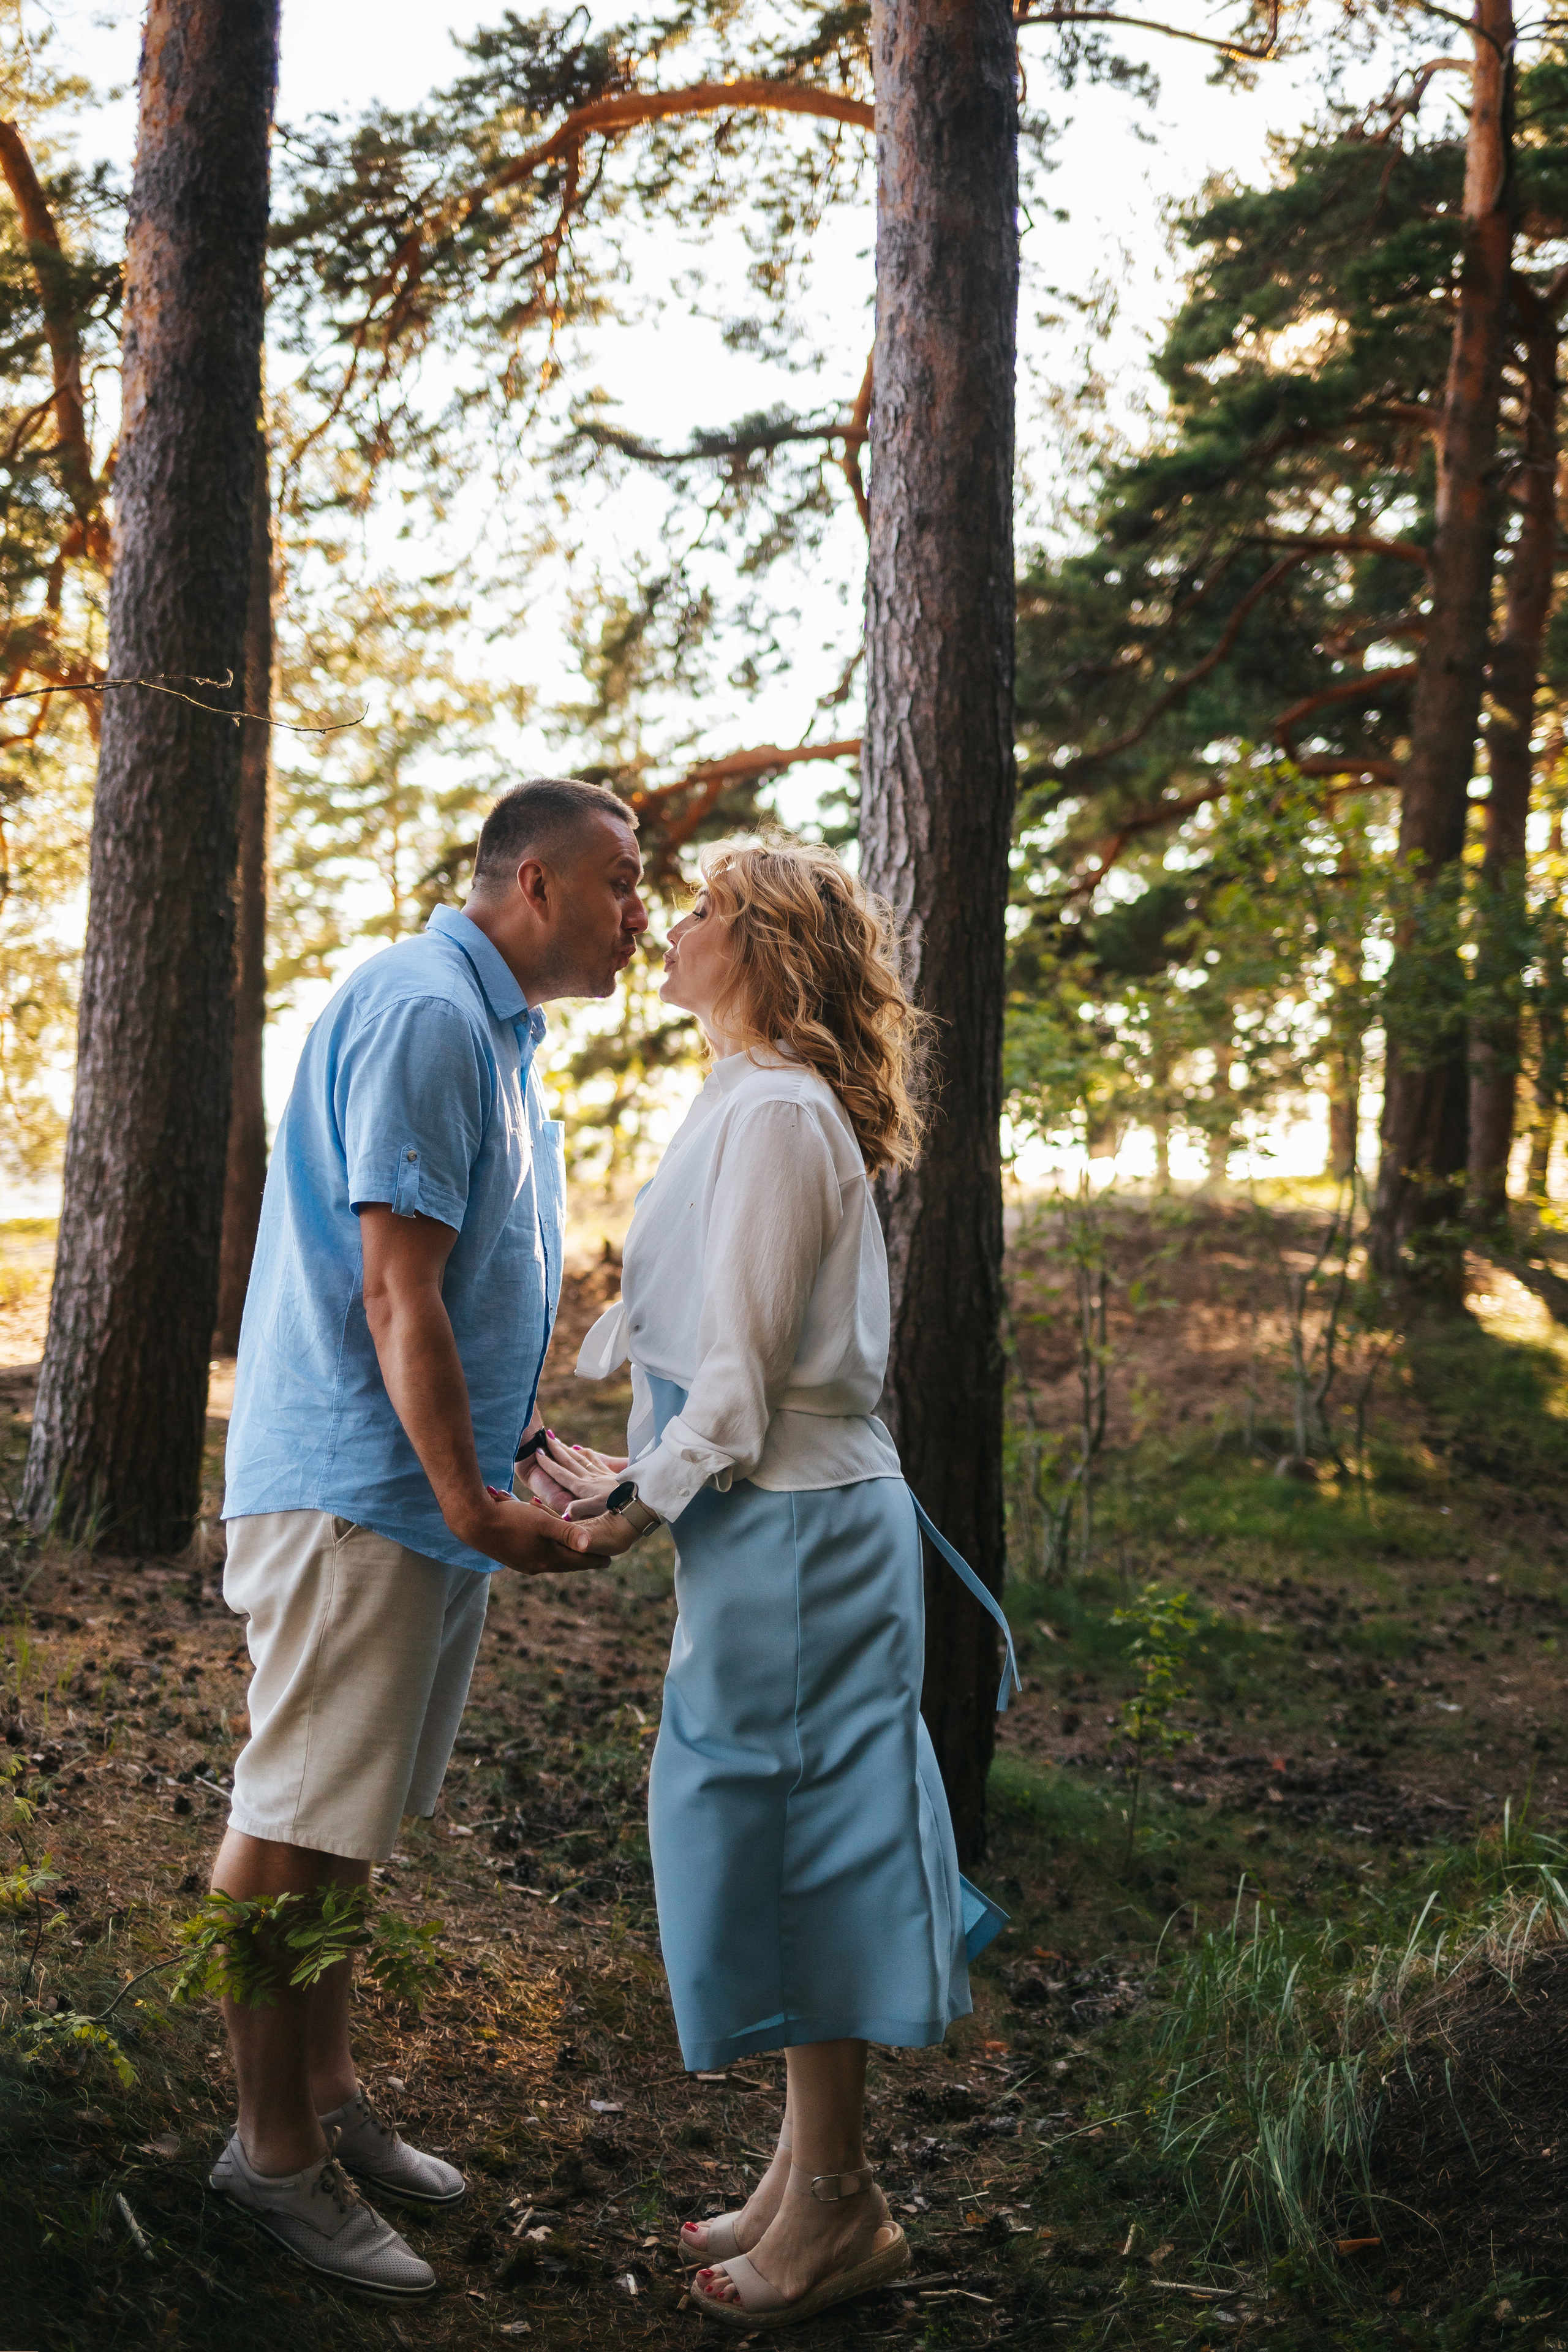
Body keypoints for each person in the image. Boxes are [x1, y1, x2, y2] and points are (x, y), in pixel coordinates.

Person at [546, 838, 997, 2330]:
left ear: (757, 944)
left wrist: (632, 1505)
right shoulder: (740, 1098)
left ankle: (836, 2207)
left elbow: (735, 1390)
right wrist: (599, 1413)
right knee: (761, 1817)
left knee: (801, 1841)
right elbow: (691, 1318)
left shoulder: (784, 1115)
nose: (663, 924)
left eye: (695, 908)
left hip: (791, 1522)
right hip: (771, 1522)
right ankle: (809, 2169)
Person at [210, 776, 647, 2299]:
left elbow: (462, 1293)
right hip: (357, 1491)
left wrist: (521, 1447)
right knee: (290, 1822)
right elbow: (391, 1292)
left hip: (419, 1491)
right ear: (531, 881)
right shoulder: (423, 1012)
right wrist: (474, 1503)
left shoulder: (496, 1035)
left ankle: (324, 2095)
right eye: (619, 883)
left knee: (345, 1823)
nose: (640, 916)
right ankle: (267, 2160)